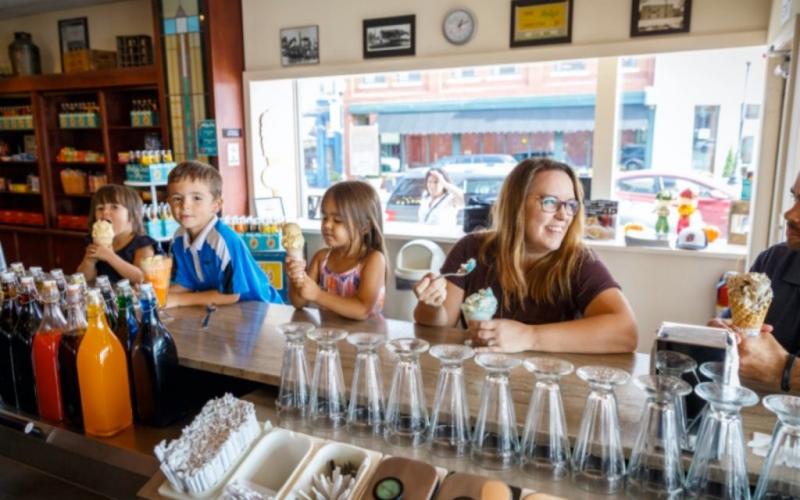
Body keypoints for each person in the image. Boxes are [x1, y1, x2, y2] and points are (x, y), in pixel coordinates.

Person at [413, 158, 638, 353]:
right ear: (516, 205)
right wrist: (431, 306)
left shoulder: (578, 260)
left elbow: (626, 332)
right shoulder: (472, 249)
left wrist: (529, 337)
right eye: (549, 202)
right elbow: (439, 326)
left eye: (570, 205)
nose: (563, 215)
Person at [710, 171, 800, 392]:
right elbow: (732, 328)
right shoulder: (772, 262)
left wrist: (784, 370)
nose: (790, 214)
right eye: (795, 198)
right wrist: (721, 337)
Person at [166, 161, 282, 308]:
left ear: (216, 205)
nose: (185, 205)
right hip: (227, 311)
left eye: (196, 198)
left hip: (262, 310)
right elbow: (186, 283)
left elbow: (230, 295)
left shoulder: (223, 240)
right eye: (177, 198)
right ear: (168, 202)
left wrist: (177, 300)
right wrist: (157, 294)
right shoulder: (178, 238)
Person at [287, 180, 387, 320]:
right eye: (324, 217)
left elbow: (362, 310)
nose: (327, 225)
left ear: (364, 226)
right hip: (329, 338)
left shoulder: (373, 260)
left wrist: (318, 295)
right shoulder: (321, 259)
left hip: (366, 339)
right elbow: (298, 303)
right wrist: (295, 277)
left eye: (338, 220)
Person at [77, 184, 158, 284]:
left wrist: (110, 256)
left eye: (114, 207)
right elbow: (83, 279)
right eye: (100, 208)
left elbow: (141, 278)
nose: (105, 212)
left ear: (133, 215)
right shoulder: (93, 241)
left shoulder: (142, 244)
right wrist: (89, 261)